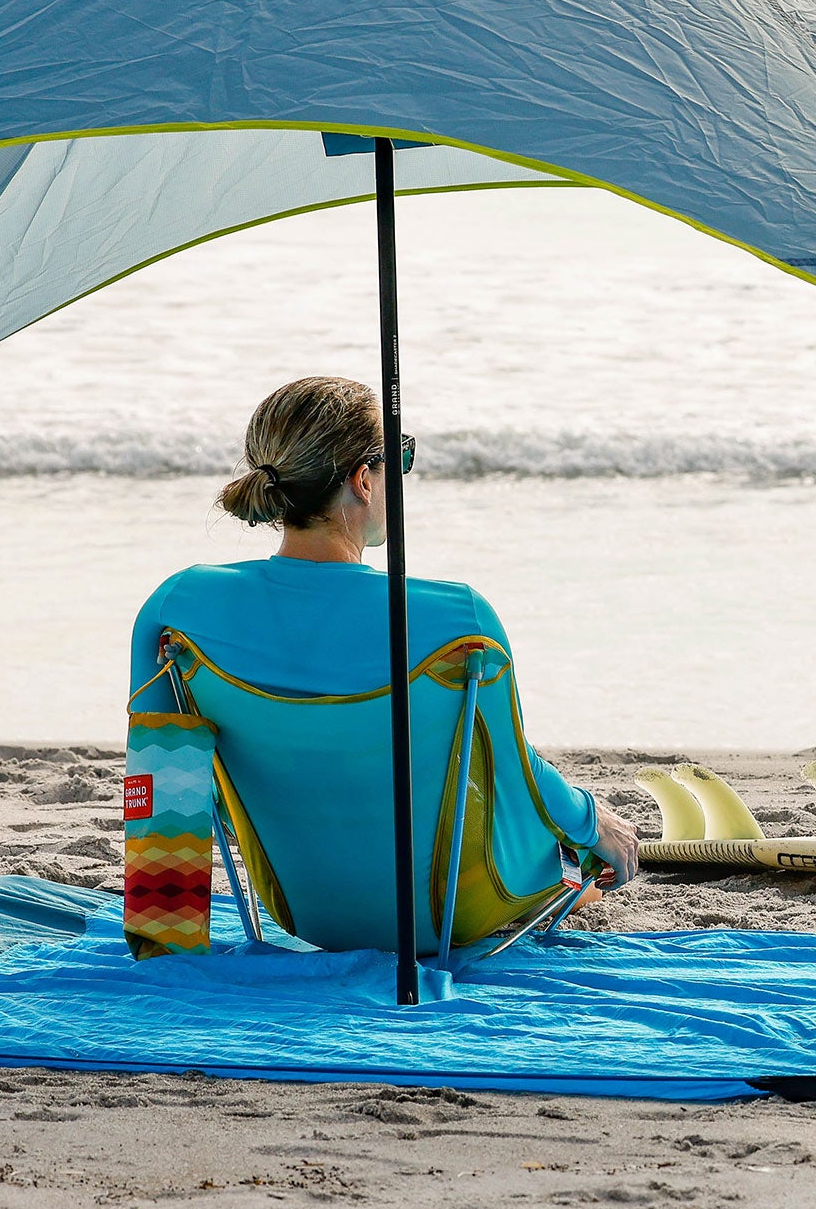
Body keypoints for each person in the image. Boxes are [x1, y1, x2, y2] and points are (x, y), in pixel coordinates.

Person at [128, 375, 640, 895]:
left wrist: (169, 944)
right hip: (444, 914)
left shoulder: (180, 605)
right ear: (363, 481)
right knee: (572, 848)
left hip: (301, 904)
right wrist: (593, 821)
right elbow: (515, 775)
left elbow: (160, 780)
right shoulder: (457, 617)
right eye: (401, 455)